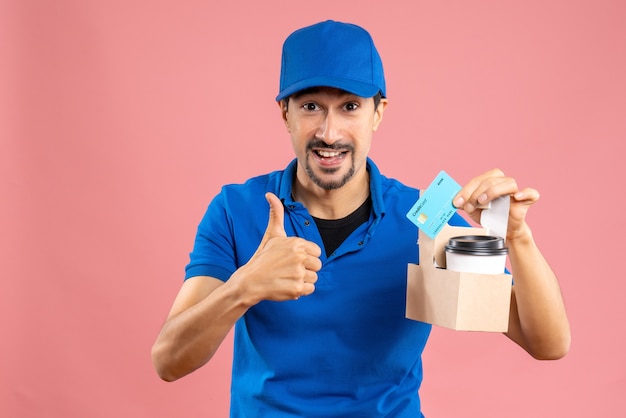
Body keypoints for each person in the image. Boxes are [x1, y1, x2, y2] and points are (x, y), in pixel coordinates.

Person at [151, 20, 570, 417]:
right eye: (312, 106)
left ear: (378, 113)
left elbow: (547, 342)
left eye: (349, 106)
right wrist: (243, 287)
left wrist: (518, 237)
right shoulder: (236, 209)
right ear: (285, 114)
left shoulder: (425, 219)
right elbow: (169, 360)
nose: (329, 133)